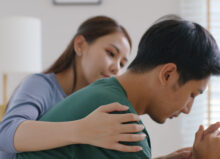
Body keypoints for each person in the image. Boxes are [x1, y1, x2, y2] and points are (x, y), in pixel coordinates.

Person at [15, 15, 220, 159]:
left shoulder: (103, 92)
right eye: (192, 94)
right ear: (167, 74)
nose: (188, 109)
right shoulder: (121, 122)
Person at [0, 16, 147, 159]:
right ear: (80, 45)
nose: (116, 68)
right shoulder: (41, 85)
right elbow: (6, 132)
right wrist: (82, 130)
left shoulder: (94, 106)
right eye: (111, 53)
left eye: (122, 64)